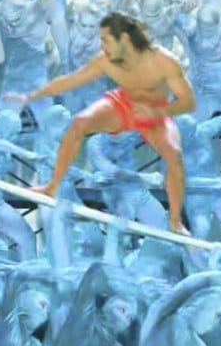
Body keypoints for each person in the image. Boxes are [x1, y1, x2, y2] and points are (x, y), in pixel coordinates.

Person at [10, 12, 195, 235]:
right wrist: (31, 96)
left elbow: (187, 102)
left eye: (106, 40)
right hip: (124, 104)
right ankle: (51, 187)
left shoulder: (163, 61)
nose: (101, 45)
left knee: (174, 155)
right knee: (79, 123)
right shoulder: (105, 60)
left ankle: (175, 222)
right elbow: (70, 81)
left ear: (124, 39)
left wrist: (158, 111)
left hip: (155, 111)